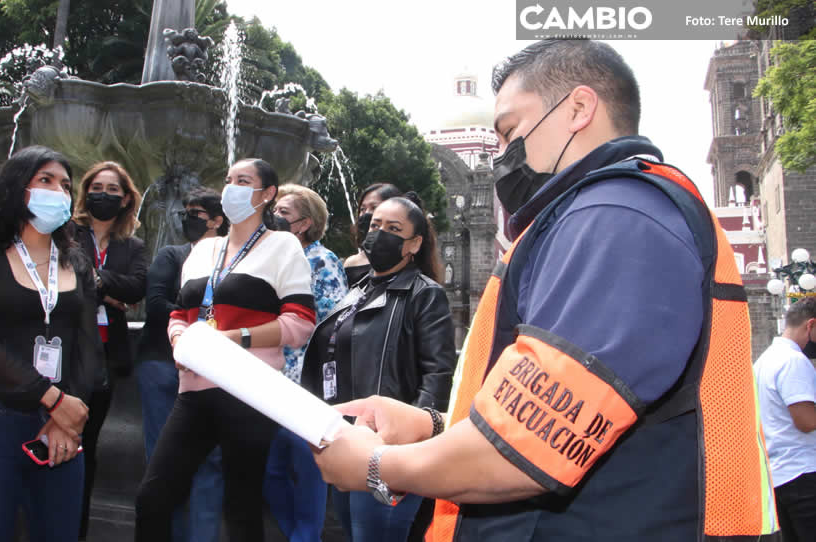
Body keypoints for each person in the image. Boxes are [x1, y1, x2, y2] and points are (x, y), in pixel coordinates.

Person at [313, 39, 779, 542]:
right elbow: (574, 414)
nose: (502, 154)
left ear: (578, 108)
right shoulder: (588, 218)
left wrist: (381, 464)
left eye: (511, 130)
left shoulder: (615, 218)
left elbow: (535, 441)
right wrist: (433, 425)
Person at [135, 158, 316, 542]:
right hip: (195, 389)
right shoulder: (204, 249)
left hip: (250, 390)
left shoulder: (282, 246)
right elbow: (180, 313)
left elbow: (300, 323)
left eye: (244, 181)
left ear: (267, 195)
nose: (231, 187)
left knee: (242, 506)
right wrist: (180, 340)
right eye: (229, 180)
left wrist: (235, 339)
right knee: (153, 496)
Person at [0, 145, 104, 542]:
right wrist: (53, 399)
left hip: (63, 425)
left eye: (66, 185)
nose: (58, 191)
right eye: (45, 180)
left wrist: (71, 411)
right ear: (18, 187)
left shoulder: (76, 261)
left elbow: (88, 345)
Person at [302, 193, 454, 542]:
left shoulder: (424, 294)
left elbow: (438, 373)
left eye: (393, 228)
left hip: (388, 450)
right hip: (343, 439)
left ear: (413, 244)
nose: (379, 233)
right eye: (375, 225)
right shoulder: (357, 290)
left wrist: (415, 440)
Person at [135, 185, 227, 542]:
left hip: (215, 374)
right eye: (185, 212)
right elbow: (156, 302)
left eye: (196, 214)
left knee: (210, 463)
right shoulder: (171, 256)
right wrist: (199, 329)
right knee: (162, 463)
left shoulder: (233, 262)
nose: (187, 219)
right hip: (162, 364)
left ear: (218, 221)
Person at [263, 183, 349, 542]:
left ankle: (305, 536)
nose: (274, 216)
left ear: (304, 224)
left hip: (306, 386)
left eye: (284, 212)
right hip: (269, 382)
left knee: (307, 471)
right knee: (271, 473)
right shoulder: (271, 258)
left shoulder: (321, 260)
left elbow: (333, 325)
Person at [71, 161, 148, 540]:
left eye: (113, 189)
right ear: (86, 193)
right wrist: (105, 289)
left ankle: (78, 527)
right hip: (66, 350)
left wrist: (93, 282)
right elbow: (64, 274)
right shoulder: (66, 233)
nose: (104, 194)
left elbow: (136, 287)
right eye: (97, 187)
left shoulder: (132, 245)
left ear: (126, 198)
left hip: (106, 357)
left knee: (86, 443)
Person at [754, 297, 816, 542]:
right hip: (803, 473)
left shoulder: (764, 360)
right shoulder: (793, 361)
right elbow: (806, 421)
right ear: (810, 325)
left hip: (778, 476)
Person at [343, 183, 402, 287]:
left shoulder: (405, 259)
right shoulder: (352, 263)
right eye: (362, 209)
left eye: (374, 207)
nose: (366, 213)